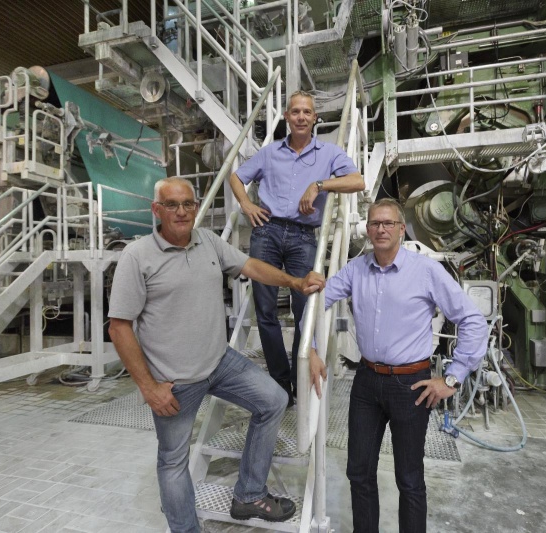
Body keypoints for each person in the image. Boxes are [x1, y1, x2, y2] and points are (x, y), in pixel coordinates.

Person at [108, 177, 325, 533]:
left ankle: (249, 495)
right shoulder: (138, 256)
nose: (181, 212)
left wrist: (295, 282)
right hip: (173, 381)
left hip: (219, 362)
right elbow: (119, 327)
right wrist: (149, 387)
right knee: (173, 462)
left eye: (188, 204)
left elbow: (251, 266)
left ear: (196, 207)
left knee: (273, 399)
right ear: (156, 210)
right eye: (172, 205)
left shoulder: (207, 241)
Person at [308, 198, 488, 533]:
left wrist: (452, 378)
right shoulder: (356, 269)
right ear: (367, 229)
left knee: (409, 479)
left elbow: (474, 321)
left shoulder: (425, 270)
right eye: (374, 223)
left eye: (388, 223)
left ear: (401, 230)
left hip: (411, 386)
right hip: (366, 382)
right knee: (359, 472)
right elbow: (319, 300)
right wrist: (313, 348)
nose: (380, 229)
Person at [229, 90, 364, 406]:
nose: (301, 117)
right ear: (287, 117)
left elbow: (357, 181)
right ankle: (280, 383)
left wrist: (320, 185)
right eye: (295, 112)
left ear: (315, 118)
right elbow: (237, 177)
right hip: (267, 232)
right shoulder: (270, 152)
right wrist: (247, 204)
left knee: (305, 310)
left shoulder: (329, 153)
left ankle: (300, 375)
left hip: (304, 237)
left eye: (307, 112)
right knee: (265, 311)